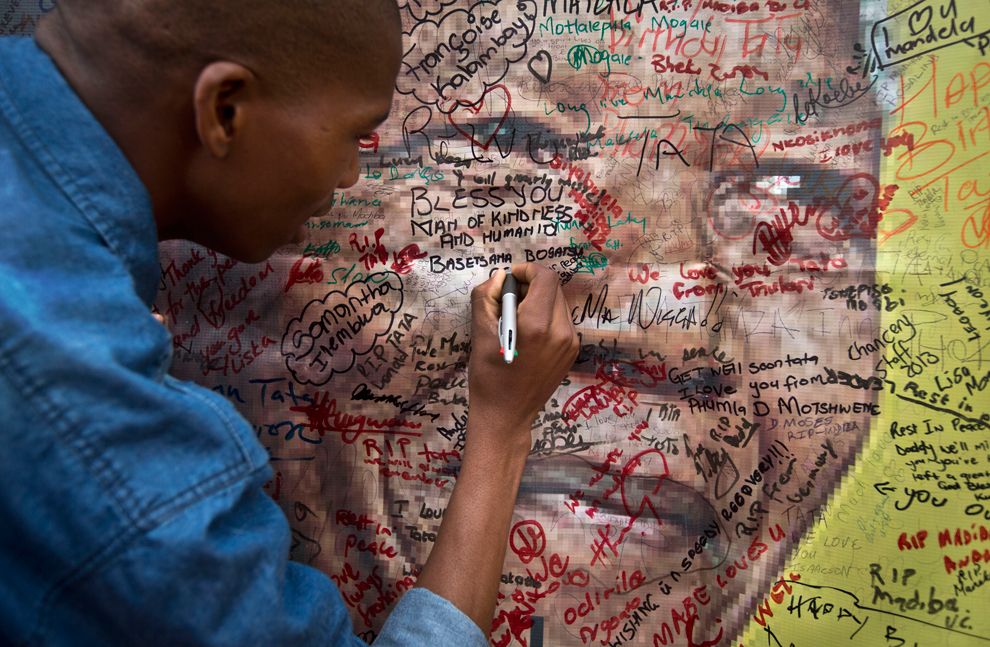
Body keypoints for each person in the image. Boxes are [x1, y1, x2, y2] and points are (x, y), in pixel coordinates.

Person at [0, 1, 579, 645]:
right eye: (354, 134)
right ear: (226, 111)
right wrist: (502, 427)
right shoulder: (90, 410)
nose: (351, 175)